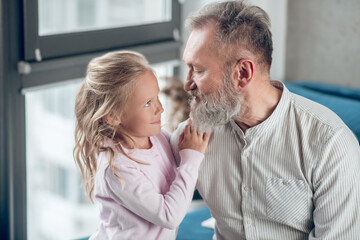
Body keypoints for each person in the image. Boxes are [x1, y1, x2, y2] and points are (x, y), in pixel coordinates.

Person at [170, 1, 360, 239]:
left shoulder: (330, 143)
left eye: (197, 69)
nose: (187, 84)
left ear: (242, 73)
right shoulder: (191, 138)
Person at [73, 50, 210, 240]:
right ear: (113, 116)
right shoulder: (117, 170)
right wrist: (191, 160)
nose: (160, 108)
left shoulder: (155, 136)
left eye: (157, 98)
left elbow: (180, 148)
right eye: (147, 103)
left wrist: (199, 120)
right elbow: (170, 216)